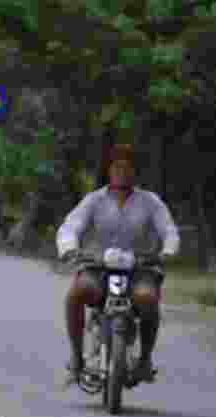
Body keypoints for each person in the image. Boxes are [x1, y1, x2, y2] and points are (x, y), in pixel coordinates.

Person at [56, 143, 180, 385]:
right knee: (77, 293)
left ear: (135, 171)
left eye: (127, 167)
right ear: (108, 170)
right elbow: (71, 226)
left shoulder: (150, 202)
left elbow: (169, 230)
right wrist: (69, 248)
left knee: (147, 298)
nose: (121, 172)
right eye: (116, 166)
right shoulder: (94, 200)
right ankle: (76, 358)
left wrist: (167, 252)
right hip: (98, 267)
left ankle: (144, 359)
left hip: (140, 269)